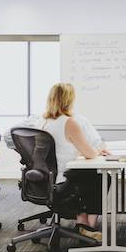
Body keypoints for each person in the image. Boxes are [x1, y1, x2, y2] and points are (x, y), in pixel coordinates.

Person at [39, 83, 109, 241]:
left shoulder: (43, 122)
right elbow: (90, 153)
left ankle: (82, 221)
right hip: (64, 179)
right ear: (69, 100)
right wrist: (99, 149)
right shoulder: (69, 122)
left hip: (45, 179)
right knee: (101, 177)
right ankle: (87, 226)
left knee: (89, 175)